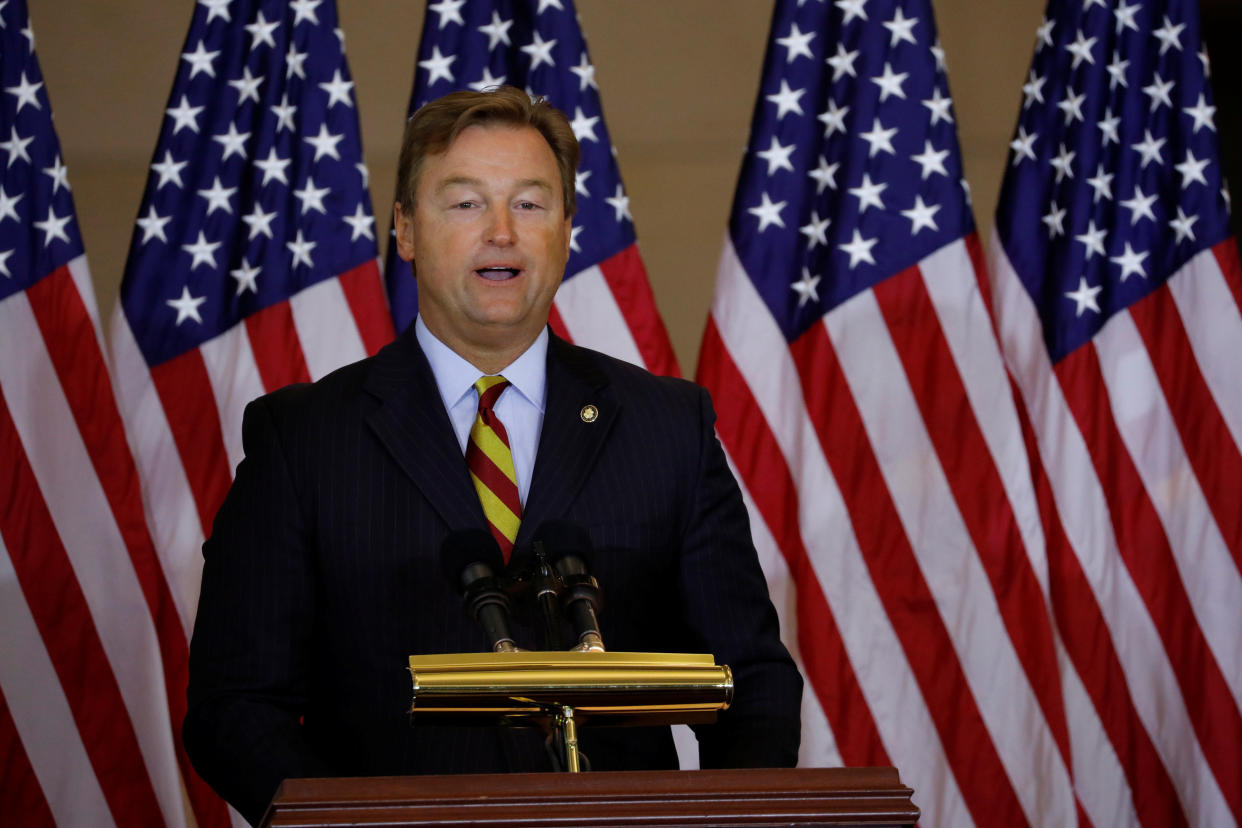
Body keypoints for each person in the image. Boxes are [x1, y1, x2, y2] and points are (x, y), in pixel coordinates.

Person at [184, 86, 802, 826]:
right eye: (466, 203)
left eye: (531, 204)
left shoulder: (667, 425)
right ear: (406, 230)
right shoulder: (304, 438)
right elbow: (236, 707)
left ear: (567, 229)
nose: (502, 232)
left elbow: (752, 681)